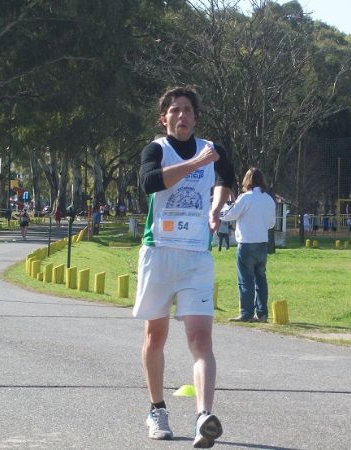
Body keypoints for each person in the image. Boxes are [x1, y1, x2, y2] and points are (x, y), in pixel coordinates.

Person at [135, 86, 234, 447]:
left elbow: (227, 177)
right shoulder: (156, 149)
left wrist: (216, 207)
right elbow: (147, 182)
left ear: (195, 116)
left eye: (188, 110)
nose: (182, 116)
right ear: (164, 118)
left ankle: (203, 416)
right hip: (158, 252)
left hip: (196, 256)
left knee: (200, 338)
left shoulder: (213, 150)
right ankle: (157, 409)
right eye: (174, 110)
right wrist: (194, 165)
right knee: (155, 336)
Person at [221, 168, 277, 323]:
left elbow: (229, 216)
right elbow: (271, 223)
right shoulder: (268, 199)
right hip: (262, 244)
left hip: (246, 243)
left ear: (247, 181)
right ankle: (262, 313)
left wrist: (223, 207)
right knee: (261, 279)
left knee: (246, 280)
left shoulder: (245, 198)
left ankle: (246, 313)